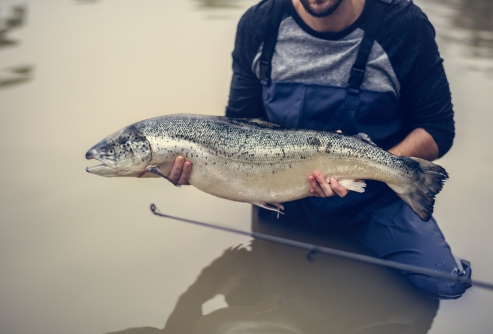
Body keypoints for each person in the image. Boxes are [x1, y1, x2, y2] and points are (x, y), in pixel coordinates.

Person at [167, 0, 471, 299]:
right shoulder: (259, 24)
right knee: (265, 305)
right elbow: (236, 129)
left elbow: (437, 128)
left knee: (447, 285)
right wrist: (193, 168)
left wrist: (363, 166)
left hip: (375, 200)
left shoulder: (402, 24)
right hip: (280, 200)